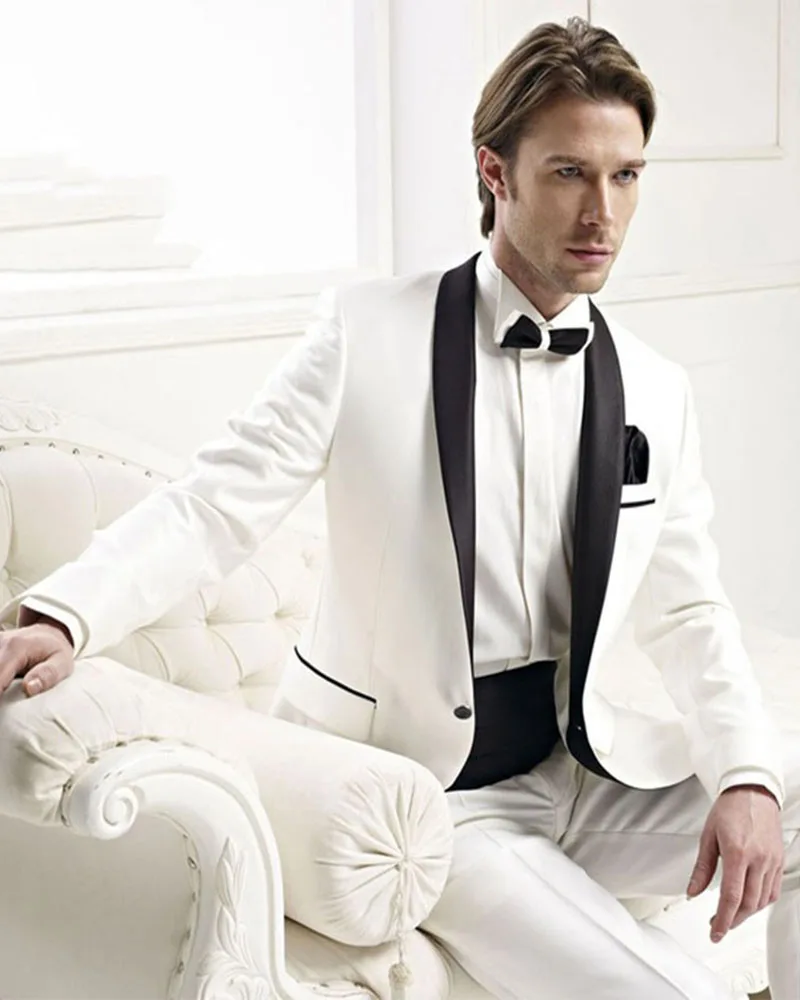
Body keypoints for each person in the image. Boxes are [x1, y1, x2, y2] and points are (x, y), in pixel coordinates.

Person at [1, 17, 797, 1000]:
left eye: (624, 176)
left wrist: (745, 777)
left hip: (583, 780)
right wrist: (67, 613)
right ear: (494, 171)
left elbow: (687, 612)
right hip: (429, 802)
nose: (602, 211)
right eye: (567, 173)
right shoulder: (367, 334)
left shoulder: (654, 386)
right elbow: (214, 506)